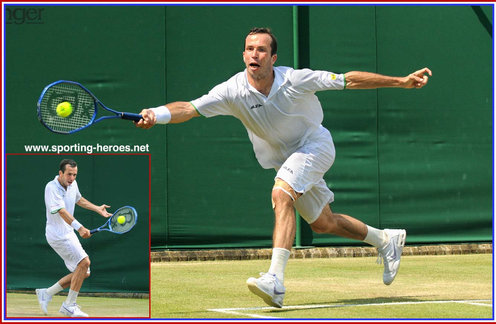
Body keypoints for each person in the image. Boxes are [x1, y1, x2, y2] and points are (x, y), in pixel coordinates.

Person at [136, 27, 432, 308]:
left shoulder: (296, 80)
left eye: (262, 50)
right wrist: (156, 114)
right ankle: (385, 239)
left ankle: (275, 280)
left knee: (281, 194)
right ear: (243, 55)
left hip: (314, 146)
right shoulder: (232, 90)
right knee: (323, 223)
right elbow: (190, 108)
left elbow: (348, 80)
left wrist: (401, 81)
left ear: (273, 58)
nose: (255, 55)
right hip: (284, 159)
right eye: (250, 49)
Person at [36, 159, 112, 317]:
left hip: (67, 232)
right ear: (61, 173)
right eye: (69, 174)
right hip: (57, 234)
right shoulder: (51, 188)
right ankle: (69, 305)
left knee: (84, 271)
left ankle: (47, 293)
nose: (72, 178)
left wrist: (97, 208)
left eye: (75, 175)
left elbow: (79, 199)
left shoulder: (73, 184)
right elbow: (62, 212)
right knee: (84, 263)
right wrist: (81, 228)